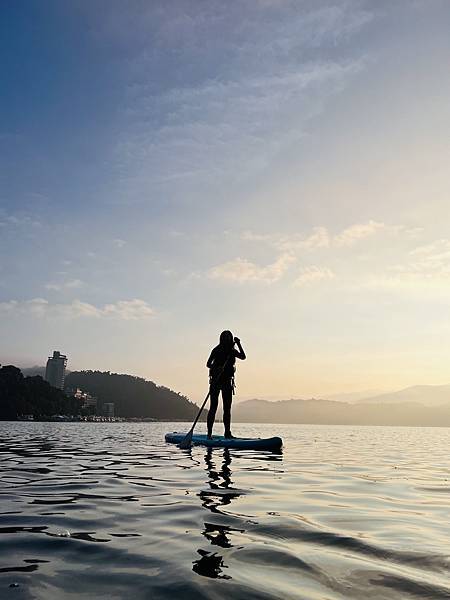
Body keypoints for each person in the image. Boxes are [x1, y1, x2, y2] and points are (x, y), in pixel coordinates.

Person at [206, 331, 246, 439]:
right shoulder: (216, 350)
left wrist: (238, 344)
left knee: (227, 409)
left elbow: (243, 356)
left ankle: (227, 433)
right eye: (225, 337)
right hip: (216, 381)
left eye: (229, 337)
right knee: (213, 407)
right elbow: (208, 364)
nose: (227, 339)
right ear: (221, 338)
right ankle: (209, 434)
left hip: (227, 382)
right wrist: (217, 368)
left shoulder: (232, 351)